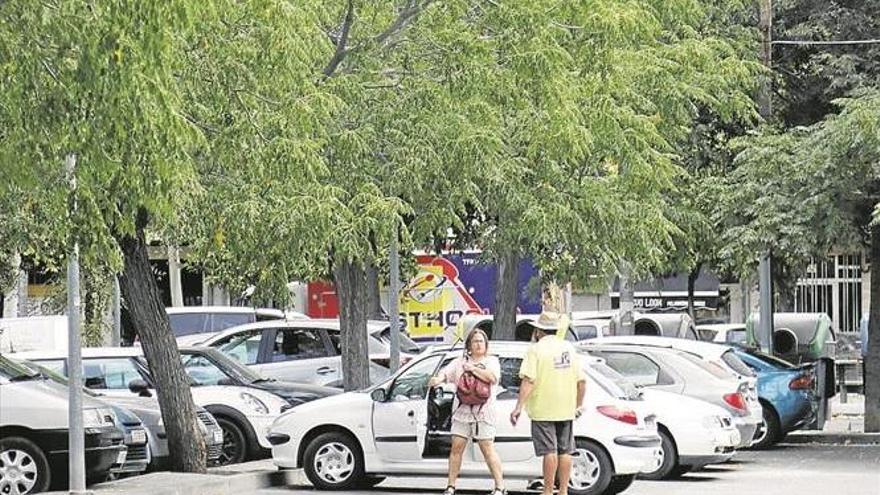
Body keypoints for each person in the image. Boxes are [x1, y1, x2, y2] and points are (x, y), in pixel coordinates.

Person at [510, 312, 587, 495]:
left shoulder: (535, 350)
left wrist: (518, 407)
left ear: (538, 330)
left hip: (543, 408)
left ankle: (547, 491)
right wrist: (577, 405)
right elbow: (582, 382)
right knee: (565, 450)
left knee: (549, 451)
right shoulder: (568, 348)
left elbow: (529, 380)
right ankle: (563, 490)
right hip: (566, 408)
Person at [428, 328, 506, 495]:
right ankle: (451, 485)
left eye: (481, 341)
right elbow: (446, 374)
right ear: (469, 345)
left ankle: (500, 486)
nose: (478, 344)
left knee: (487, 448)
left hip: (484, 412)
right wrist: (438, 379)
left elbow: (492, 378)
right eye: (475, 341)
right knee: (456, 447)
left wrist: (472, 368)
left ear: (486, 345)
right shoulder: (458, 362)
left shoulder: (491, 361)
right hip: (462, 411)